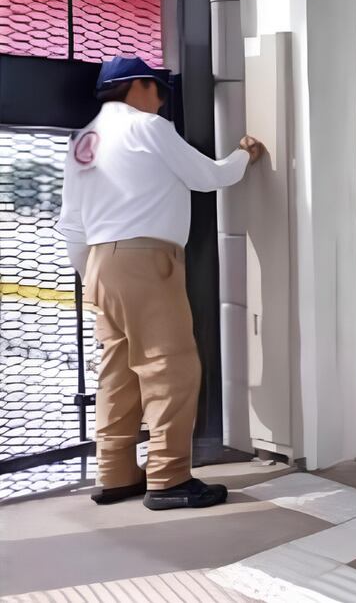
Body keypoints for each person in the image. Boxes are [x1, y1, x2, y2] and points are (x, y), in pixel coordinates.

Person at [57, 56, 265, 511]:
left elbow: (70, 224)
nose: (162, 98)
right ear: (138, 87)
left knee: (118, 371)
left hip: (98, 263)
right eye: (158, 89)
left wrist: (93, 274)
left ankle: (114, 474)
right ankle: (169, 479)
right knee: (170, 369)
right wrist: (243, 154)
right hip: (146, 260)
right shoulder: (148, 128)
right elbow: (207, 178)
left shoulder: (82, 141)